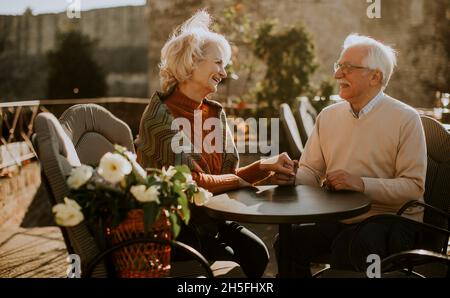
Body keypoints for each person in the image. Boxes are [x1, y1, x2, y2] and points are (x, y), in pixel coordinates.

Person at [136, 10, 295, 277]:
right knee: (232, 264)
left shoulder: (213, 112)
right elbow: (194, 182)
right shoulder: (159, 118)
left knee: (256, 253)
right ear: (191, 62)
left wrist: (266, 166)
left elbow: (224, 179)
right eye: (218, 63)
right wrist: (244, 180)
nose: (224, 72)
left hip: (211, 219)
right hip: (175, 228)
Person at [274, 33, 427, 277]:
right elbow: (311, 171)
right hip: (341, 216)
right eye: (338, 66)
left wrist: (360, 184)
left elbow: (413, 188)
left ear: (375, 76)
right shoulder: (328, 116)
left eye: (348, 68)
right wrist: (294, 177)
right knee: (289, 242)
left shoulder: (406, 119)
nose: (337, 75)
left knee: (349, 246)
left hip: (393, 220)